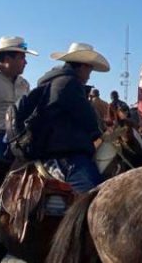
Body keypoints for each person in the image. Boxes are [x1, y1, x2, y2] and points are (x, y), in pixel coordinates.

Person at [32, 42, 109, 193]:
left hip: (56, 147)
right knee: (95, 195)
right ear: (83, 66)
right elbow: (89, 120)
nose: (89, 74)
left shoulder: (57, 81)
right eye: (90, 69)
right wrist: (98, 133)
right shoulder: (69, 83)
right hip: (63, 153)